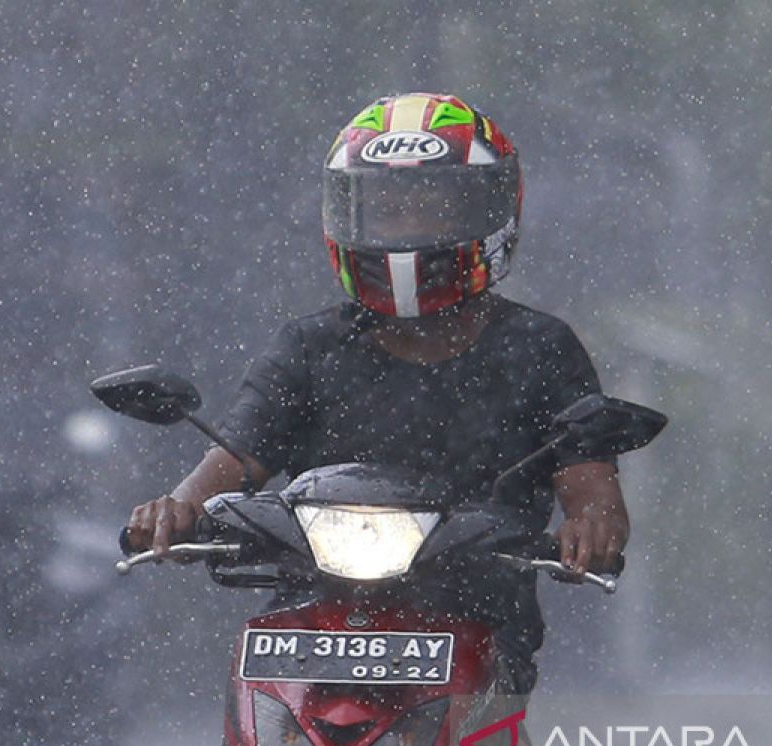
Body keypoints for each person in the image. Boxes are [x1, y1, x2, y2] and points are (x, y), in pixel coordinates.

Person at [125, 92, 628, 694]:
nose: (408, 229)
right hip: (304, 649)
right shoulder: (309, 349)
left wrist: (591, 529)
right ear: (347, 218)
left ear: (493, 213)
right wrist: (173, 513)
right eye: (388, 210)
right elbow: (227, 466)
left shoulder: (541, 348)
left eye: (432, 209)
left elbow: (593, 491)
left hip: (476, 637)